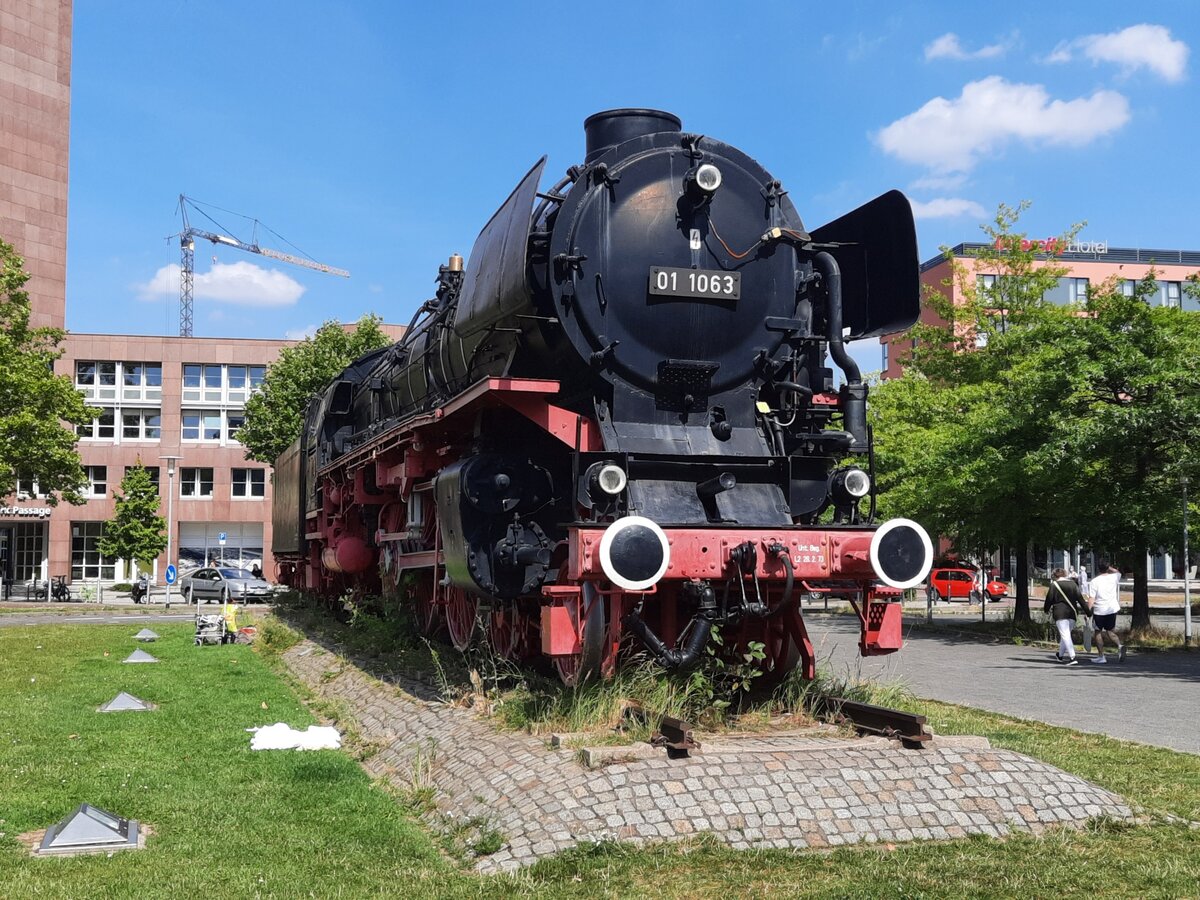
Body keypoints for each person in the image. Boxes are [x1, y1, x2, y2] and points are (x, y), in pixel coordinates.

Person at [1044, 567, 1088, 666]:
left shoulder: (1054, 585)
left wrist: (1046, 609)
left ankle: (1073, 657)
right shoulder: (1073, 584)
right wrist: (1088, 612)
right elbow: (1080, 599)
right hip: (1072, 612)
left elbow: (1049, 599)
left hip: (1060, 613)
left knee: (1065, 635)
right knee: (1066, 635)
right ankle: (1060, 655)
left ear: (1054, 575)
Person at [1088, 561, 1126, 664]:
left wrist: (1088, 611)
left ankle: (1101, 656)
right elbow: (1118, 572)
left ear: (1098, 569)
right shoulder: (1114, 577)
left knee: (1097, 632)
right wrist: (1110, 568)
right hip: (1112, 608)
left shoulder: (1094, 581)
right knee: (1110, 631)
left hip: (1100, 610)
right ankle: (1119, 645)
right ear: (1108, 568)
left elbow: (1092, 598)